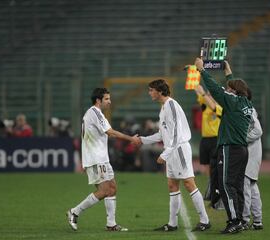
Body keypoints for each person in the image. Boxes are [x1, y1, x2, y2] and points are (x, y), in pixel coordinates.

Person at [135, 79, 211, 232]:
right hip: (172, 150)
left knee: (189, 183)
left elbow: (176, 134)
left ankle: (205, 220)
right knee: (172, 185)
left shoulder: (171, 105)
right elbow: (162, 135)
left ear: (160, 91)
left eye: (151, 90)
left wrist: (165, 153)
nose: (149, 93)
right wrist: (143, 140)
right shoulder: (163, 108)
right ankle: (172, 224)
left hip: (180, 149)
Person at [66, 87, 138, 232]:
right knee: (105, 190)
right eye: (106, 99)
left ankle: (111, 224)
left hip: (101, 158)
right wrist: (131, 139)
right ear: (98, 100)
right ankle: (74, 212)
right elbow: (110, 132)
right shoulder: (94, 112)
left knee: (112, 189)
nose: (109, 102)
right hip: (96, 158)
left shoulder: (95, 113)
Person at [195, 58, 253, 234]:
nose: (227, 90)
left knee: (226, 184)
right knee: (237, 185)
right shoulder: (246, 103)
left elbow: (215, 89)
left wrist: (202, 70)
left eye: (229, 88)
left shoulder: (232, 101)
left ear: (233, 91)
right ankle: (242, 220)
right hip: (242, 149)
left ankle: (234, 221)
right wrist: (229, 72)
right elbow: (232, 90)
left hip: (230, 148)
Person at [194, 84, 223, 205]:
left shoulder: (220, 107)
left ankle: (215, 190)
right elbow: (197, 91)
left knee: (214, 166)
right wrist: (194, 74)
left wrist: (204, 93)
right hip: (205, 139)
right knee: (205, 166)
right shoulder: (206, 107)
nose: (209, 95)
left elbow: (208, 100)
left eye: (211, 94)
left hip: (215, 139)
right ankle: (211, 186)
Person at [242, 88, 263, 230]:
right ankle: (257, 220)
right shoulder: (247, 108)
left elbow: (258, 130)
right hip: (252, 152)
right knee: (252, 187)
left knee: (245, 187)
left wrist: (242, 138)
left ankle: (244, 220)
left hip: (250, 153)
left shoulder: (247, 109)